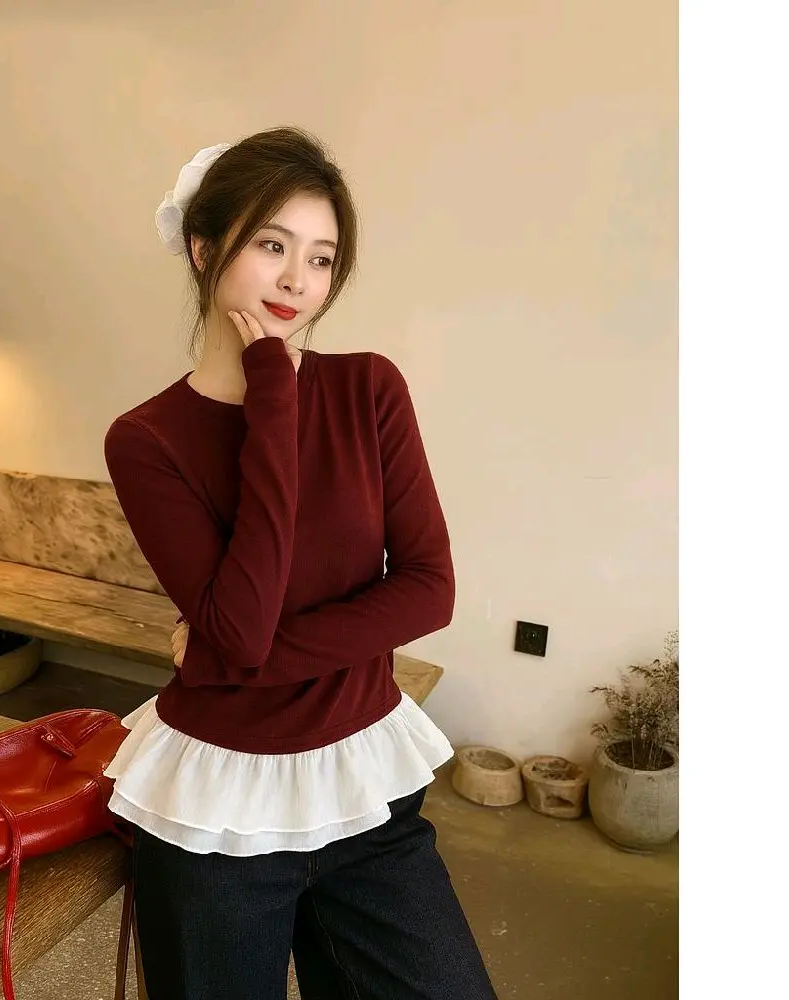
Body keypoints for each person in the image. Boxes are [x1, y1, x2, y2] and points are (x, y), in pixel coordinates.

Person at [103, 127, 498, 1000]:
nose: (297, 281)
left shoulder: (369, 389)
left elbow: (428, 590)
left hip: (365, 785)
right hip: (217, 817)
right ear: (204, 249)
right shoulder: (146, 440)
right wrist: (272, 398)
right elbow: (242, 627)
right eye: (272, 245)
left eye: (321, 259)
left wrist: (220, 660)